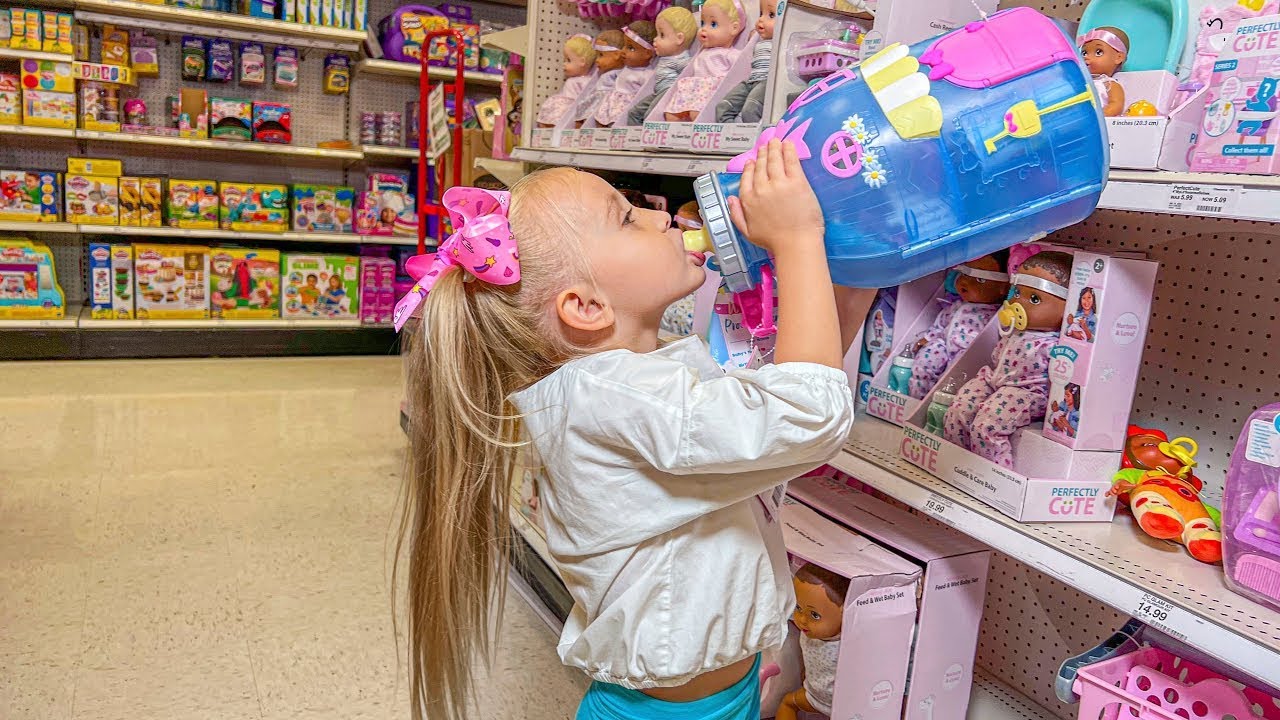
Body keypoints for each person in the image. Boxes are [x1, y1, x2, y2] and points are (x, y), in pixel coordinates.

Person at [396, 140, 873, 720]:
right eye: (626, 216)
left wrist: (849, 270)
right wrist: (797, 241)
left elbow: (770, 425)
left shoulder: (625, 383)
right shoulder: (610, 397)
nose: (659, 214)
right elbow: (805, 418)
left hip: (720, 695)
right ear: (587, 307)